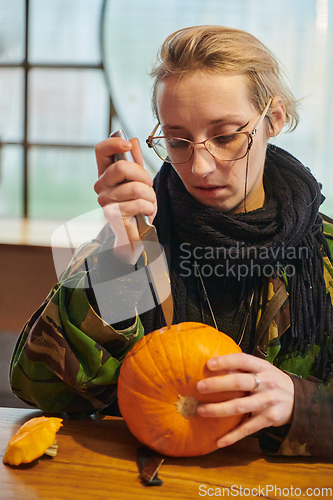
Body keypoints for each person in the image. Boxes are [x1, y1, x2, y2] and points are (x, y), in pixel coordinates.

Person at [10, 25, 333, 459]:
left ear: (272, 119)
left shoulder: (324, 253)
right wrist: (119, 259)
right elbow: (42, 389)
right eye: (177, 141)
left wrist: (300, 404)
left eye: (225, 136)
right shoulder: (137, 234)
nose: (200, 167)